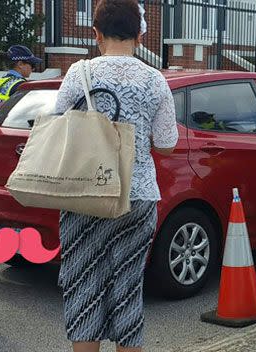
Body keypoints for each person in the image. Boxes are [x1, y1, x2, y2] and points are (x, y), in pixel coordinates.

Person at [53, 1, 178, 351]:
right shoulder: (155, 80)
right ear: (139, 35)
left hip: (85, 194)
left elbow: (59, 125)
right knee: (127, 289)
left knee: (83, 287)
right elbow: (167, 145)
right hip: (137, 196)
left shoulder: (79, 74)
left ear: (96, 34)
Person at [0, 45, 42, 113]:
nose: (33, 68)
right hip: (12, 123)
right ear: (20, 64)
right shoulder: (22, 86)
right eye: (32, 64)